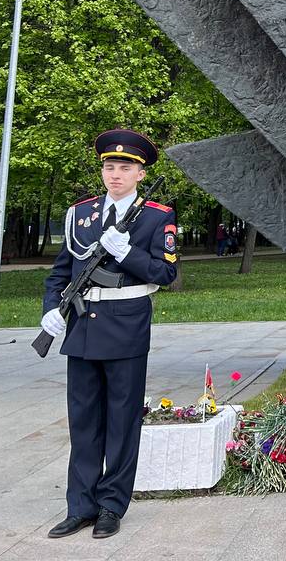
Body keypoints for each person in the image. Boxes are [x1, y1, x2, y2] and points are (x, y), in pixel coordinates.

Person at [41, 129, 178, 540]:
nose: (115, 174)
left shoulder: (156, 216)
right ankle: (79, 506)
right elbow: (61, 272)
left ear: (140, 173)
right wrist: (51, 311)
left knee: (121, 422)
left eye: (125, 168)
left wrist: (126, 252)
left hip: (126, 325)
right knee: (83, 423)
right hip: (82, 326)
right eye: (109, 166)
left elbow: (164, 273)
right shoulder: (79, 214)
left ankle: (111, 506)